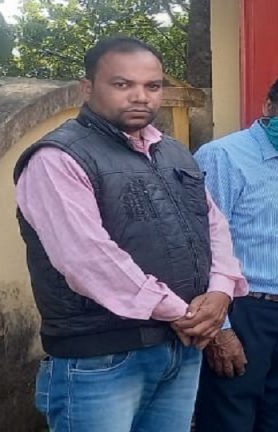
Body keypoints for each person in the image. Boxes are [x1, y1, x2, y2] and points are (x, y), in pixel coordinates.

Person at [14, 36, 247, 432]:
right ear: (87, 88)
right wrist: (184, 313)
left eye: (152, 86)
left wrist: (222, 290)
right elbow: (87, 259)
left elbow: (212, 223)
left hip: (178, 347)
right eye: (122, 84)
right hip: (102, 356)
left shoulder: (172, 151)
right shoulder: (57, 158)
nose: (141, 96)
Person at [192, 72, 278, 432]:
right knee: (230, 418)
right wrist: (219, 330)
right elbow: (201, 246)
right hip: (242, 310)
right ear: (268, 105)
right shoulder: (223, 156)